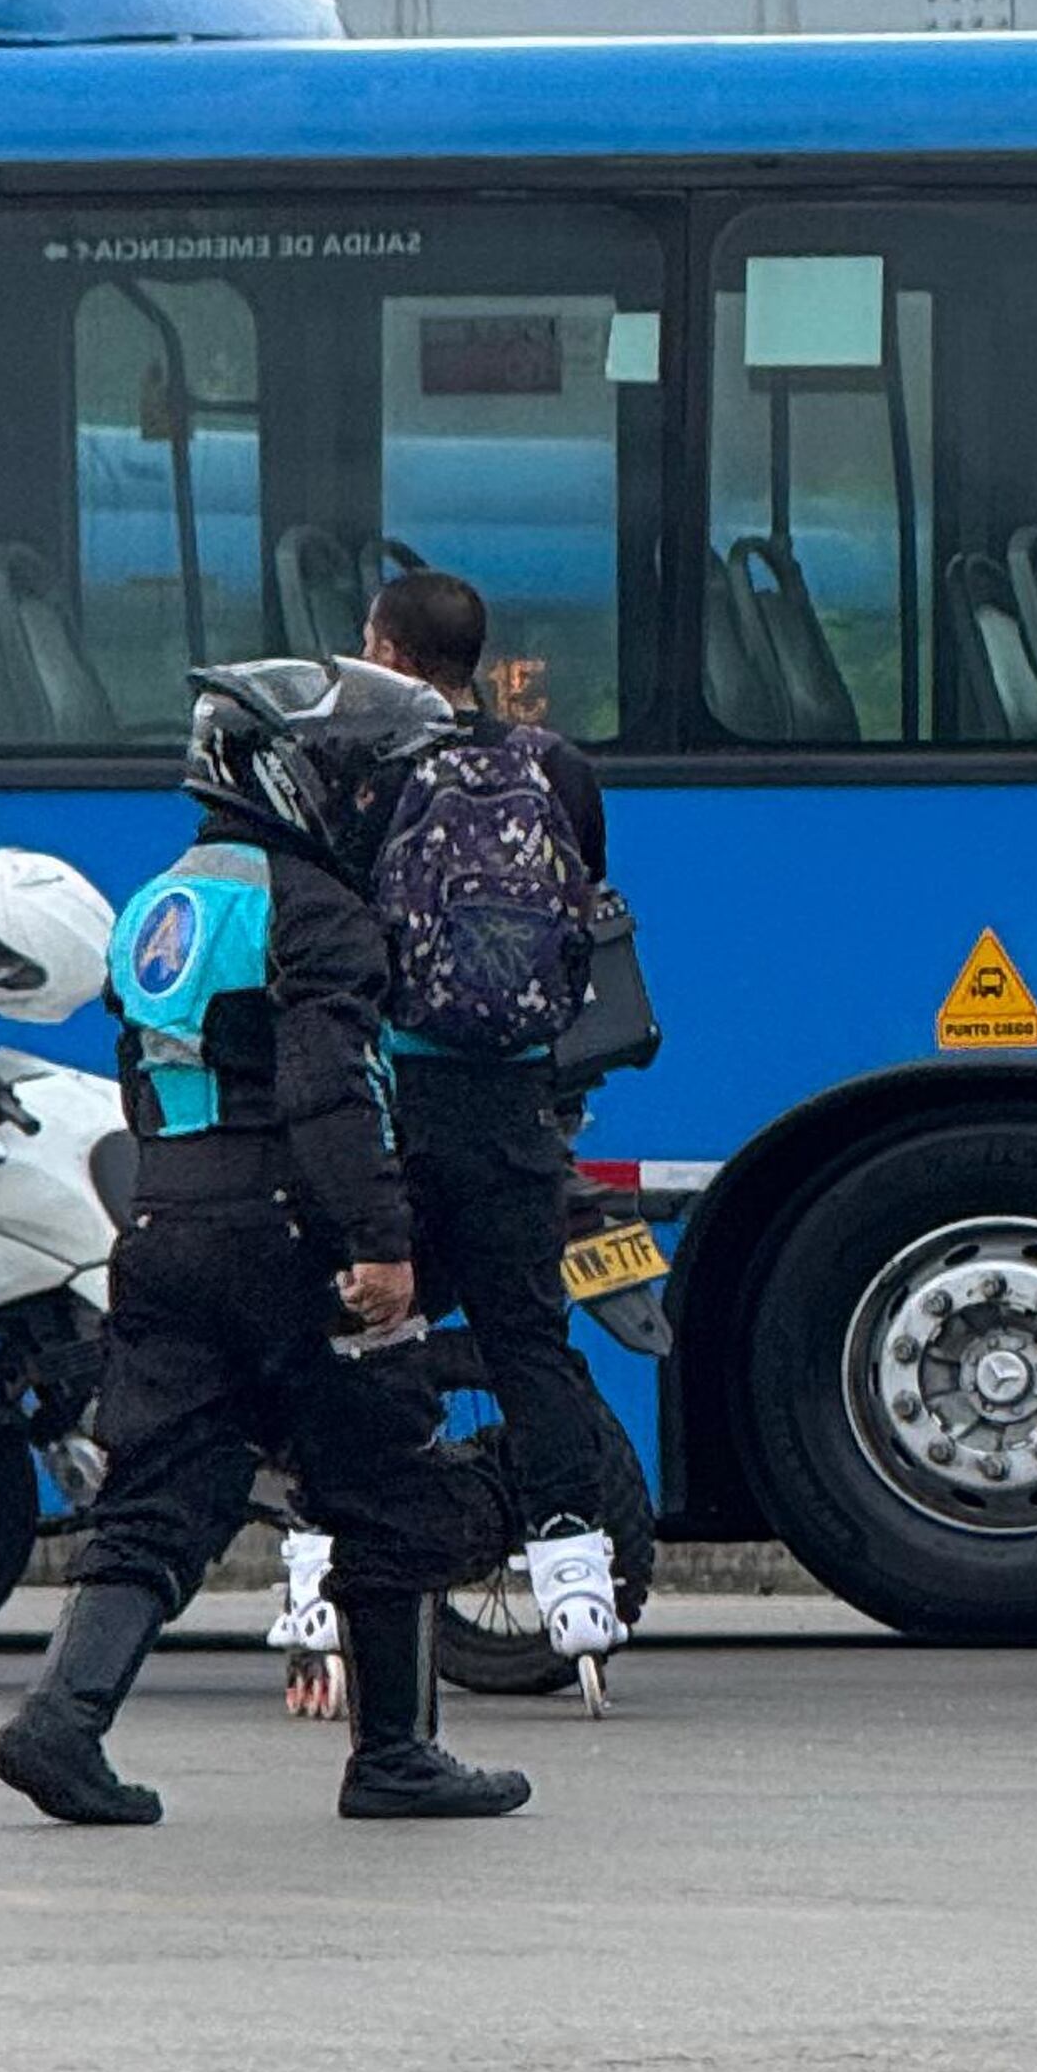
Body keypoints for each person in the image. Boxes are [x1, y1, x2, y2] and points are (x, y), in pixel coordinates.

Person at [0, 659, 529, 1827]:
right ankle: (394, 1755)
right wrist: (378, 1243)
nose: (384, 804)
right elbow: (332, 1093)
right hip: (290, 1239)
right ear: (299, 777)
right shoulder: (315, 908)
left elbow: (146, 1087)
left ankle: (59, 1722)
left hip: (169, 1230)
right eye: (369, 780)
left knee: (159, 1493)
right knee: (391, 1485)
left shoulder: (159, 904)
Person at [356, 566, 645, 1680]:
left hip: (403, 1099)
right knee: (531, 1344)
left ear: (386, 653)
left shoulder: (373, 769)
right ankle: (575, 1585)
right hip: (521, 1103)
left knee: (370, 1338)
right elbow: (586, 913)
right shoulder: (557, 766)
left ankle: (342, 1587)